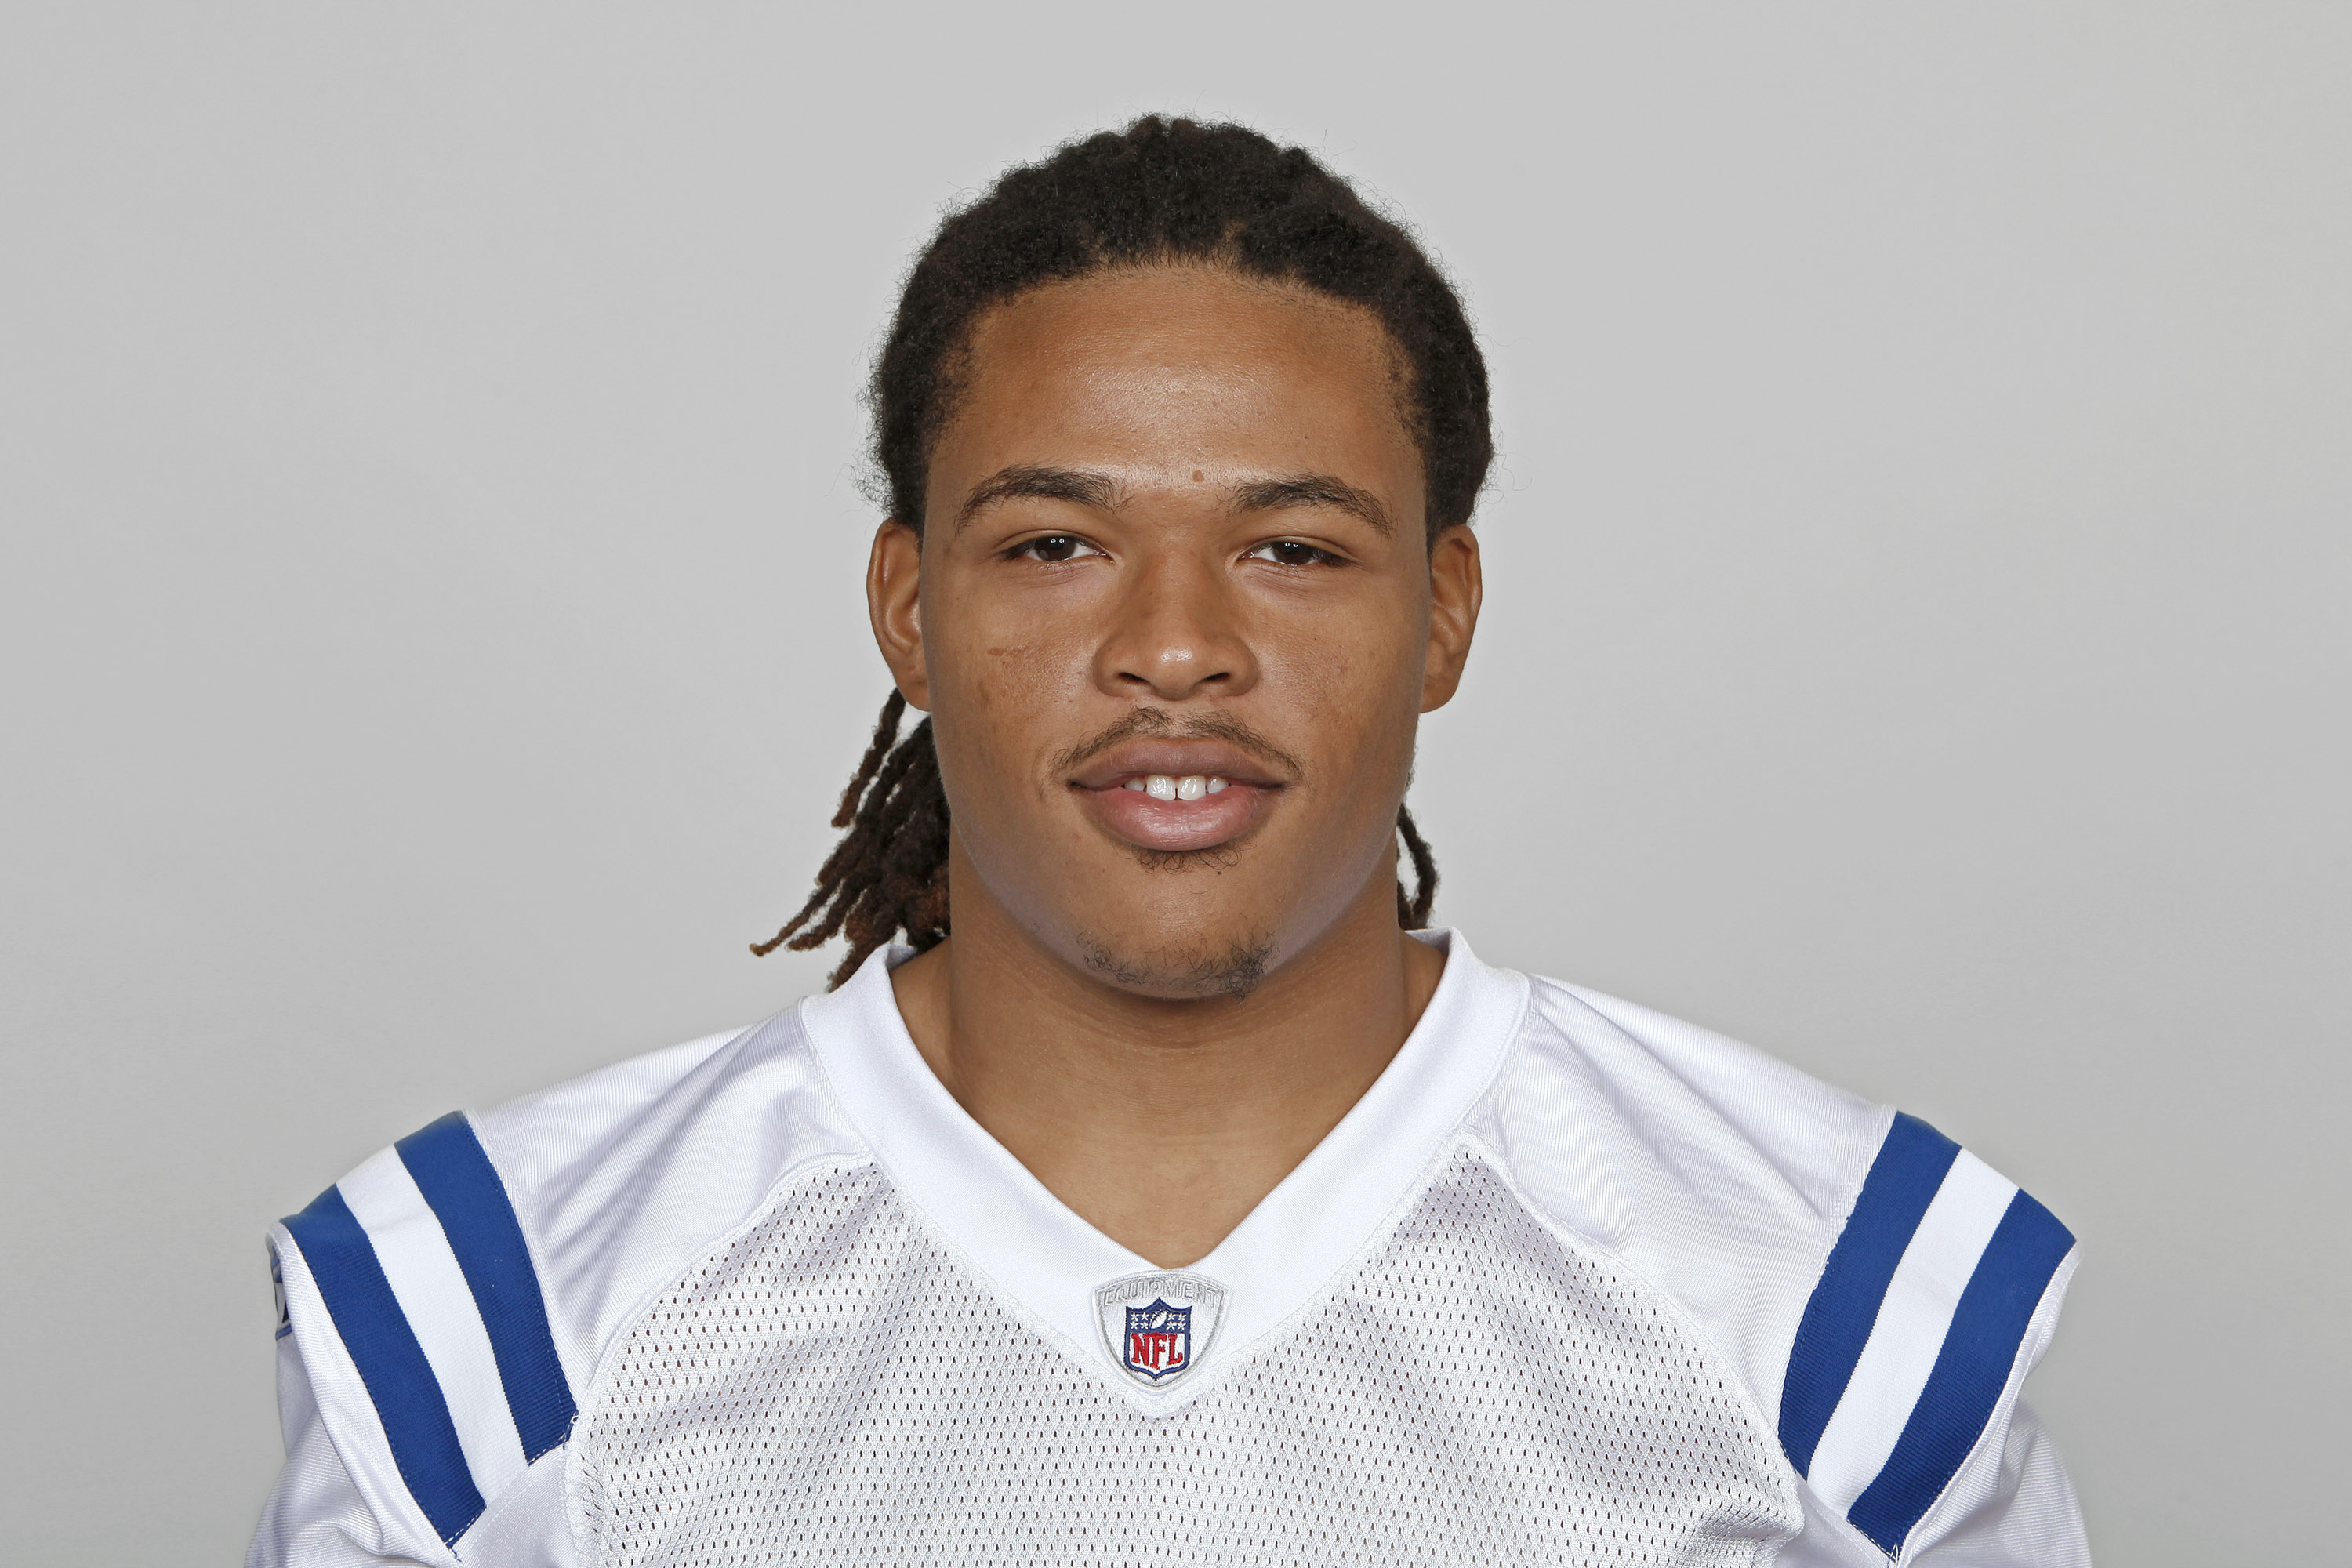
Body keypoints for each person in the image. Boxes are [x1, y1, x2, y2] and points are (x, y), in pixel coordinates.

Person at [248, 118, 2089, 1567]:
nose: (1177, 644)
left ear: (1444, 610)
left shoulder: (1828, 1295)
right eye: (1056, 544)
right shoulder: (504, 1322)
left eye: (1292, 546)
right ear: (908, 605)